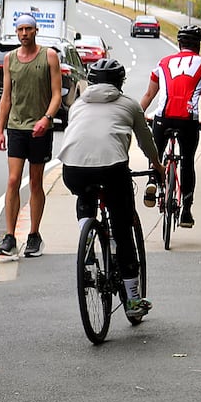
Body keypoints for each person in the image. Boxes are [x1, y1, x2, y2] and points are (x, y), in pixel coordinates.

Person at [57, 59, 163, 320]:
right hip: (112, 168)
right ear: (120, 83)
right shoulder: (130, 105)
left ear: (91, 81)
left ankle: (88, 239)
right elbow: (145, 141)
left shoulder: (77, 104)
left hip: (73, 168)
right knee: (123, 227)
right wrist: (157, 165)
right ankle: (133, 300)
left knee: (85, 194)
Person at [0, 13, 63, 257]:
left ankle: (34, 235)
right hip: (17, 127)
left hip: (40, 128)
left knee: (35, 182)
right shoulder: (10, 59)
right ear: (16, 31)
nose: (24, 34)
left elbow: (56, 95)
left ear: (35, 31)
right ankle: (9, 236)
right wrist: (0, 130)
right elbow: (6, 97)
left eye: (28, 29)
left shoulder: (49, 56)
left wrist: (47, 118)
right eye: (20, 29)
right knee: (13, 180)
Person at [139, 24, 201, 229]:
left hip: (162, 117)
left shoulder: (163, 63)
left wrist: (138, 115)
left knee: (155, 153)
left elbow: (149, 95)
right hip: (188, 119)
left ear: (179, 44)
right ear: (198, 45)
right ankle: (187, 212)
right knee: (188, 161)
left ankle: (151, 182)